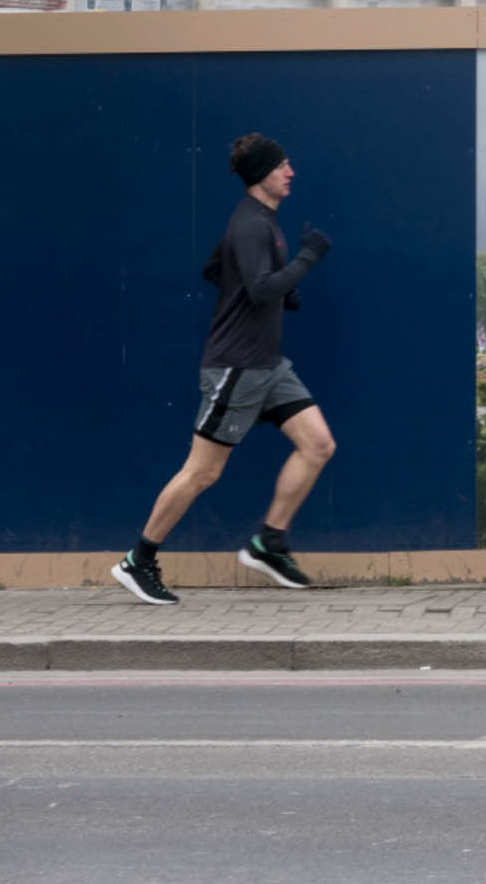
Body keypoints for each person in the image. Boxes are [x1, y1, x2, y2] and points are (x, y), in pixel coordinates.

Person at [115, 133, 333, 606]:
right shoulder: (251, 224)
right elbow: (257, 289)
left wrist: (280, 291)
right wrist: (307, 259)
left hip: (268, 365)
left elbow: (218, 270)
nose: (291, 172)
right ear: (262, 175)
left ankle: (269, 543)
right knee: (202, 473)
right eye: (283, 166)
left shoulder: (262, 222)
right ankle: (139, 559)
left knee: (318, 444)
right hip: (237, 367)